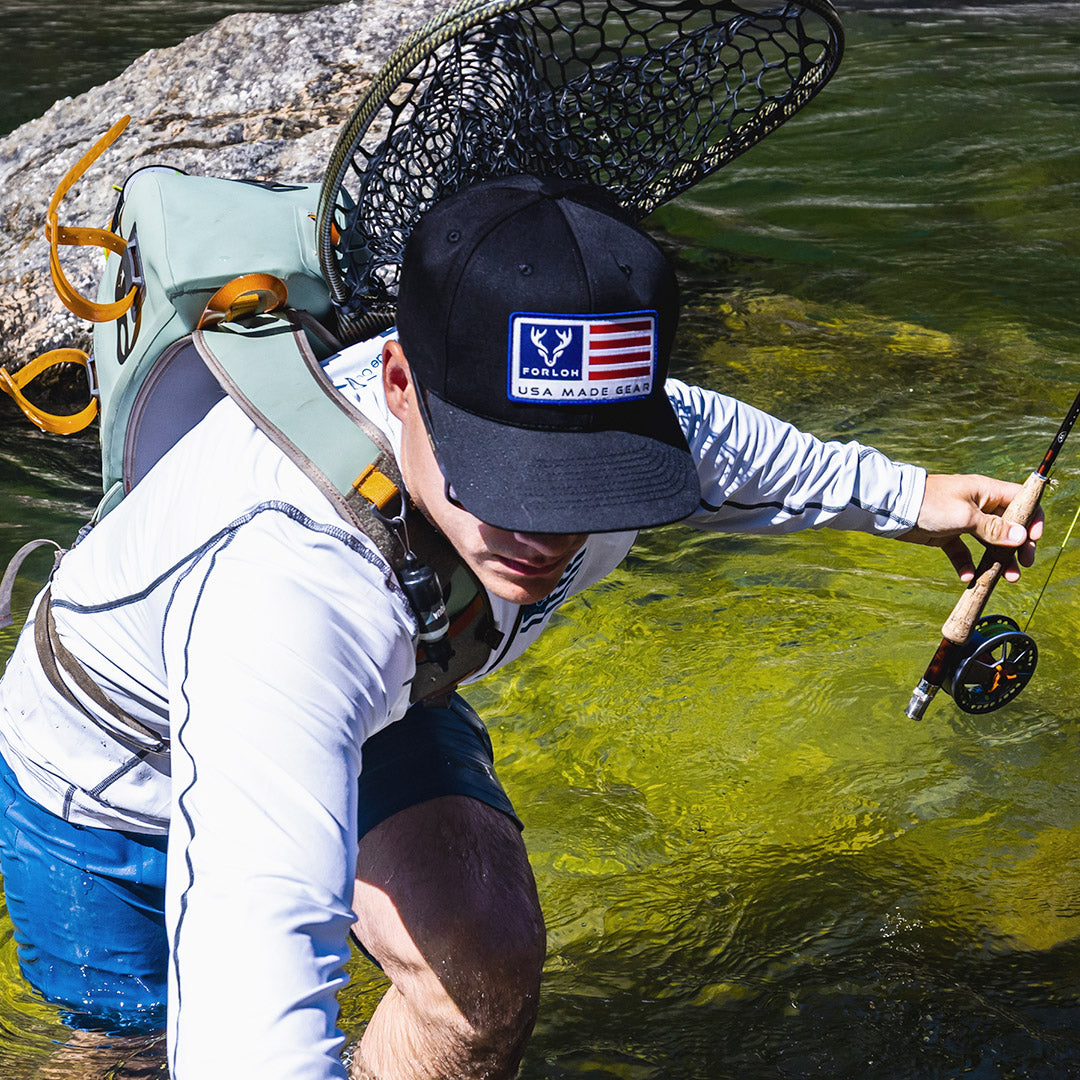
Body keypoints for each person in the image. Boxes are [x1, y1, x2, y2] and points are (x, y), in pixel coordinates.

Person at [0, 174, 1041, 1080]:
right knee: (135, 1056)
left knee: (480, 974)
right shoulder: (292, 590)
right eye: (514, 477)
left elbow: (711, 437)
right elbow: (258, 963)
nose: (548, 531)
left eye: (590, 476)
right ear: (400, 385)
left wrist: (910, 498)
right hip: (113, 775)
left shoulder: (598, 403)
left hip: (385, 686)